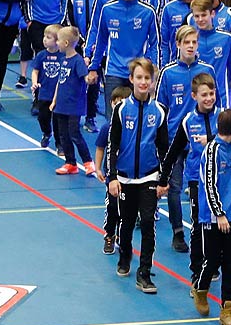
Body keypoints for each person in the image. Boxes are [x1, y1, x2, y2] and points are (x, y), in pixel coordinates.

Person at [105, 60, 172, 294]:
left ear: (152, 82)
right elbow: (113, 145)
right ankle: (124, 256)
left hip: (149, 177)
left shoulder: (160, 111)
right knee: (126, 222)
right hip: (123, 178)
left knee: (147, 223)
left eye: (147, 78)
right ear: (131, 79)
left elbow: (164, 148)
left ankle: (144, 272)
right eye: (139, 77)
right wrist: (112, 177)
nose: (144, 82)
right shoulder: (121, 109)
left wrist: (164, 179)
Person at [160, 27, 215, 252]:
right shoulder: (168, 73)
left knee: (200, 186)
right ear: (178, 44)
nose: (191, 46)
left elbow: (215, 105)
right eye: (187, 42)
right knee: (174, 186)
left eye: (194, 42)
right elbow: (161, 109)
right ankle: (177, 232)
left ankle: (201, 230)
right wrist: (161, 141)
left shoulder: (207, 70)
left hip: (200, 142)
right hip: (175, 137)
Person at [197, 107, 231, 325]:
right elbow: (209, 186)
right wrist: (219, 214)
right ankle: (200, 289)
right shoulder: (212, 151)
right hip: (213, 217)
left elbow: (228, 180)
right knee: (213, 260)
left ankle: (227, 309)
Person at [88, 0, 160, 102]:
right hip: (114, 71)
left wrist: (154, 71)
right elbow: (101, 41)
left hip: (139, 72)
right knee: (112, 118)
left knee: (138, 115)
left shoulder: (148, 12)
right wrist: (93, 67)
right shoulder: (108, 9)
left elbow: (155, 43)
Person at [46, 26, 94, 175]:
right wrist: (54, 101)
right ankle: (70, 163)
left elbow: (84, 77)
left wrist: (89, 79)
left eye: (58, 40)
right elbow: (60, 83)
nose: (57, 43)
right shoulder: (63, 60)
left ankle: (88, 162)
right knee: (63, 135)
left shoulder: (77, 61)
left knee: (74, 134)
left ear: (66, 43)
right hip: (61, 105)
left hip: (74, 105)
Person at [68, 0, 108, 132]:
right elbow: (69, 19)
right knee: (75, 82)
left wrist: (92, 43)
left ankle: (90, 117)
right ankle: (72, 116)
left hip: (96, 46)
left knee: (94, 81)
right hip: (78, 46)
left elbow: (99, 22)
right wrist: (80, 41)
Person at [189, 0, 231, 114]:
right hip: (194, 102)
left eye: (204, 15)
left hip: (221, 101)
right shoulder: (190, 40)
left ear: (212, 14)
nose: (200, 19)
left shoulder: (226, 39)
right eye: (196, 16)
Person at [97, 84, 131, 251]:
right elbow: (100, 148)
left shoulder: (133, 127)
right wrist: (97, 168)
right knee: (112, 208)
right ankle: (109, 235)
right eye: (116, 103)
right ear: (111, 104)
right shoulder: (107, 127)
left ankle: (123, 237)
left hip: (130, 175)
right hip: (113, 176)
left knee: (127, 210)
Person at [158, 0, 198, 68]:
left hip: (200, 67)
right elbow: (164, 43)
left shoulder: (206, 8)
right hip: (176, 67)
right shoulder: (169, 8)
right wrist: (164, 67)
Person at [30, 24, 62, 149]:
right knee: (42, 117)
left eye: (48, 37)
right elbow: (35, 71)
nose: (44, 39)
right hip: (44, 92)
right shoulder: (41, 55)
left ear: (57, 41)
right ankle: (47, 133)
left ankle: (60, 144)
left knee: (58, 120)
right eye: (44, 36)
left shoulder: (63, 55)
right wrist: (34, 83)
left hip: (58, 93)